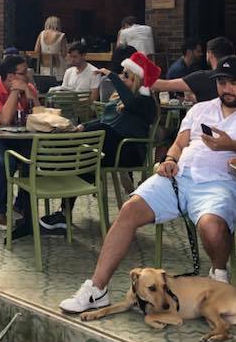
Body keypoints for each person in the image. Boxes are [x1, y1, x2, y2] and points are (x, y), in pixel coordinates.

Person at [59, 56, 236, 313]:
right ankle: (96, 289)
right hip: (179, 177)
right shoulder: (201, 109)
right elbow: (179, 143)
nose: (227, 89)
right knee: (129, 210)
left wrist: (231, 145)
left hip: (221, 182)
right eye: (222, 83)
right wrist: (169, 159)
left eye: (233, 83)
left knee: (212, 227)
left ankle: (218, 280)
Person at [41, 51, 159, 233]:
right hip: (109, 148)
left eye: (125, 74)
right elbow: (105, 120)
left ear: (137, 79)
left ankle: (56, 162)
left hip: (128, 151)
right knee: (81, 160)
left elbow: (129, 105)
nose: (121, 77)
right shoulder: (121, 98)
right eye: (121, 73)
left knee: (92, 143)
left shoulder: (146, 101)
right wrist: (83, 126)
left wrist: (111, 76)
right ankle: (63, 213)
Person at [0, 53, 41, 233]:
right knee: (7, 162)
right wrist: (14, 91)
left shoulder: (27, 87)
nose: (28, 75)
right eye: (23, 72)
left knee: (33, 159)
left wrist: (27, 92)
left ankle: (21, 206)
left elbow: (40, 114)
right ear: (11, 76)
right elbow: (3, 120)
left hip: (15, 139)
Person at [151, 36, 234, 103]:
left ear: (210, 54)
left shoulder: (202, 77)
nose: (201, 54)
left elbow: (164, 85)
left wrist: (141, 77)